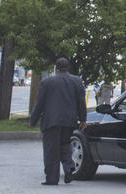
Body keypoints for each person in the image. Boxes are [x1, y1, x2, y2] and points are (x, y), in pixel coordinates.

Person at [29, 57, 86, 186]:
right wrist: (83, 119)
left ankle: (52, 178)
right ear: (68, 67)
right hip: (69, 121)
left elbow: (39, 104)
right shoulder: (77, 81)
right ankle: (69, 168)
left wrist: (33, 120)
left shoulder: (47, 82)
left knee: (51, 150)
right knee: (65, 145)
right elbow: (81, 103)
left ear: (56, 68)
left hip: (51, 121)